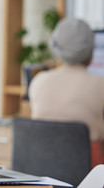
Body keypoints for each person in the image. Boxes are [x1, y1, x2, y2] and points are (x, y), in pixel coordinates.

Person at [29, 17, 104, 167]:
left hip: (44, 173)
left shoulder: (38, 80)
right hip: (89, 175)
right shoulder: (100, 84)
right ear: (90, 50)